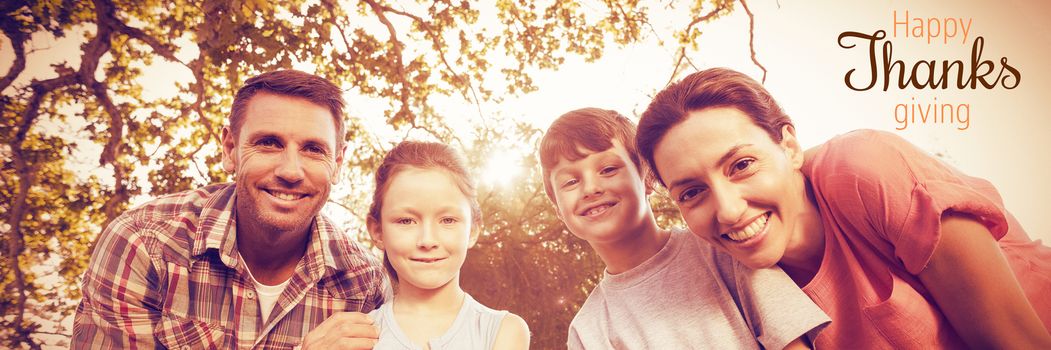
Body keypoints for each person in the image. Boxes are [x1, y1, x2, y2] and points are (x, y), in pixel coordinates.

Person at [636, 67, 1051, 348]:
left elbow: (1017, 342)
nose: (727, 211)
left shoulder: (865, 170)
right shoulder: (729, 278)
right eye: (691, 192)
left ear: (790, 147)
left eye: (742, 165)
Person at [72, 69, 389, 349]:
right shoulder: (143, 244)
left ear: (337, 164)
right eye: (269, 142)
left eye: (313, 149)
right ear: (230, 149)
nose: (291, 171)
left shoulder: (364, 284)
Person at [538, 108, 829, 349]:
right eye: (570, 182)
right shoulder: (588, 332)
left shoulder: (725, 248)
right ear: (557, 210)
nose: (590, 188)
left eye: (608, 169)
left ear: (648, 180)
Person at [365, 141, 530, 349]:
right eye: (406, 221)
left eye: (448, 220)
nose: (427, 241)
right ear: (378, 231)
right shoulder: (357, 336)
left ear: (472, 230)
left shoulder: (503, 330)